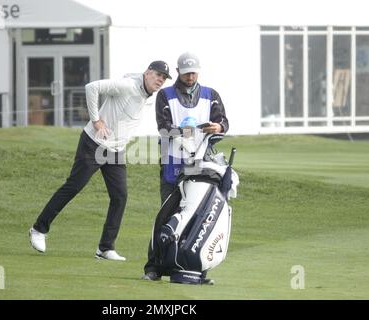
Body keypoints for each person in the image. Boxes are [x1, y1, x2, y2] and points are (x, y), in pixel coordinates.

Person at [29, 60, 172, 261]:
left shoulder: (148, 96)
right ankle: (38, 229)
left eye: (164, 78)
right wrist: (96, 120)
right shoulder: (128, 86)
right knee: (73, 186)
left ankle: (105, 248)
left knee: (120, 197)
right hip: (94, 143)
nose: (160, 80)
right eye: (158, 75)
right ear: (147, 73)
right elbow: (92, 87)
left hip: (115, 151)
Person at [142, 52, 229, 280]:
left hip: (202, 164)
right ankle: (154, 268)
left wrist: (216, 128)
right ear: (179, 72)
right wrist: (193, 130)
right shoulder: (165, 95)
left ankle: (195, 268)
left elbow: (224, 123)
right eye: (186, 73)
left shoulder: (211, 95)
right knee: (167, 217)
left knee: (199, 216)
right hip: (173, 162)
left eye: (194, 73)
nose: (191, 77)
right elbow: (165, 128)